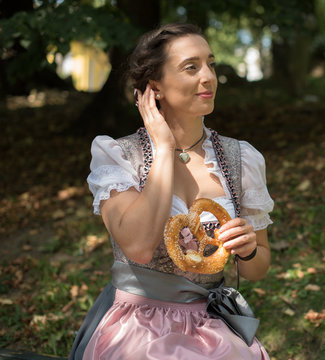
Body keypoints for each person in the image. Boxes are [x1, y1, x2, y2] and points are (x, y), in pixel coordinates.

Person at [68, 23, 274, 360]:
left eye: (211, 64)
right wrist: (163, 149)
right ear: (155, 88)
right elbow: (138, 247)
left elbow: (258, 269)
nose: (208, 77)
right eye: (191, 67)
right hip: (137, 326)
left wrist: (250, 249)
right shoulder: (119, 157)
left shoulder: (242, 158)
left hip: (212, 325)